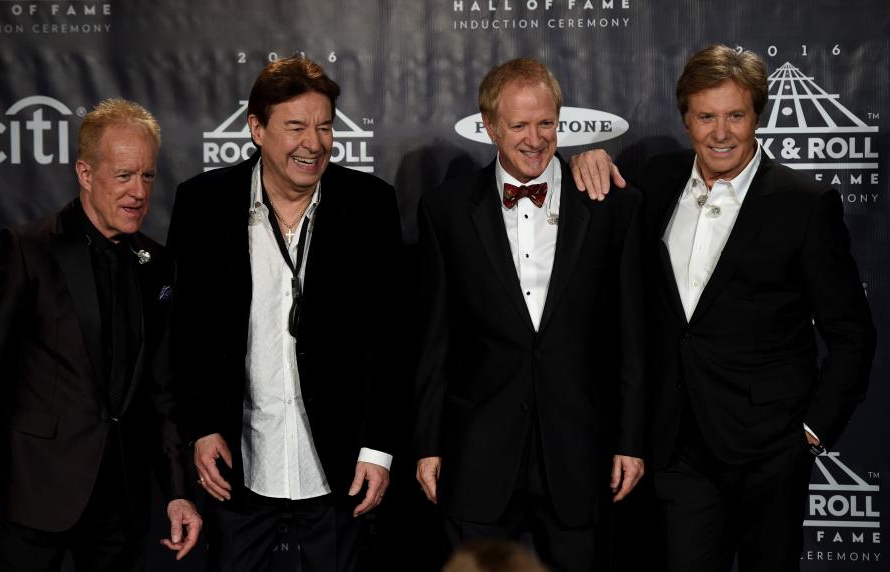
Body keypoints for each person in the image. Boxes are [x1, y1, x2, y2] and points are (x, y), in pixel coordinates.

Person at [571, 45, 876, 571]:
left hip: (769, 450)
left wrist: (810, 434)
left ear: (757, 115)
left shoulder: (803, 202)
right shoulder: (655, 180)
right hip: (678, 447)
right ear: (686, 118)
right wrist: (587, 157)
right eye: (706, 116)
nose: (721, 132)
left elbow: (853, 335)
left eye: (735, 116)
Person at [167, 56, 402, 571]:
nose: (313, 143)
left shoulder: (370, 204)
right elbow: (187, 337)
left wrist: (378, 449)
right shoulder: (202, 204)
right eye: (295, 126)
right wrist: (203, 427)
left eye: (324, 126)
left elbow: (390, 341)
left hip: (341, 470)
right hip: (239, 468)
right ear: (256, 129)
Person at [413, 57, 646, 571]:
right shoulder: (445, 209)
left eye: (546, 123)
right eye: (518, 125)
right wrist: (428, 444)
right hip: (477, 449)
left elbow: (631, 334)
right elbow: (434, 338)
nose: (535, 139)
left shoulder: (610, 205)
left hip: (580, 451)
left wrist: (630, 441)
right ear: (490, 126)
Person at [0, 98, 202, 570]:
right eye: (123, 175)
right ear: (85, 174)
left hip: (120, 502)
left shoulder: (158, 265)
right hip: (30, 496)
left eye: (147, 176)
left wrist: (176, 493)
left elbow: (161, 390)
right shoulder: (25, 250)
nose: (138, 192)